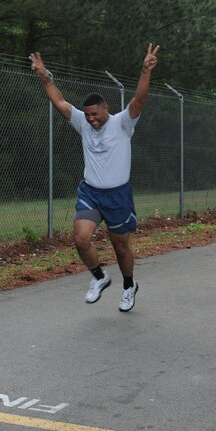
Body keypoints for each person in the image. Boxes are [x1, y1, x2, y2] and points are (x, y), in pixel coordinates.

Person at [29, 44, 159, 312]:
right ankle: (100, 277)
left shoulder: (122, 123)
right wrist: (44, 75)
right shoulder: (82, 123)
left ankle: (128, 286)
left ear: (105, 109)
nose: (90, 120)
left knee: (121, 248)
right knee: (80, 238)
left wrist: (145, 71)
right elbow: (59, 101)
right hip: (90, 192)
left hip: (118, 195)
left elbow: (139, 100)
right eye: (87, 115)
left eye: (94, 114)